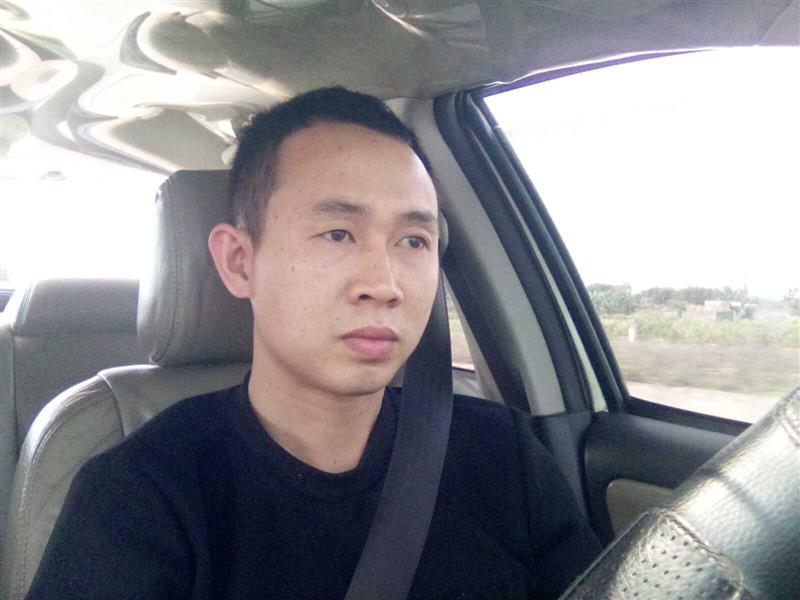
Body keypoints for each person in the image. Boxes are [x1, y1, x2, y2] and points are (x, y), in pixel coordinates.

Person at [25, 88, 601, 599]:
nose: (385, 285)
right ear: (239, 261)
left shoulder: (502, 456)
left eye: (413, 241)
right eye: (338, 233)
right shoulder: (140, 497)